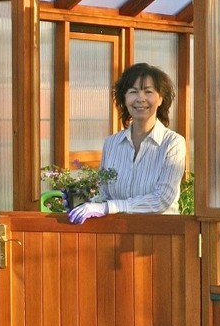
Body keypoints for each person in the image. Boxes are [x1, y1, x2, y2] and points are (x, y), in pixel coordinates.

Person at [67, 62, 186, 222]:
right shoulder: (111, 144)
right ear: (124, 98)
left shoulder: (173, 143)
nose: (140, 98)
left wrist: (109, 207)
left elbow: (162, 199)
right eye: (133, 92)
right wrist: (81, 204)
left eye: (148, 92)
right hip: (117, 234)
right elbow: (104, 194)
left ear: (160, 99)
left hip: (160, 237)